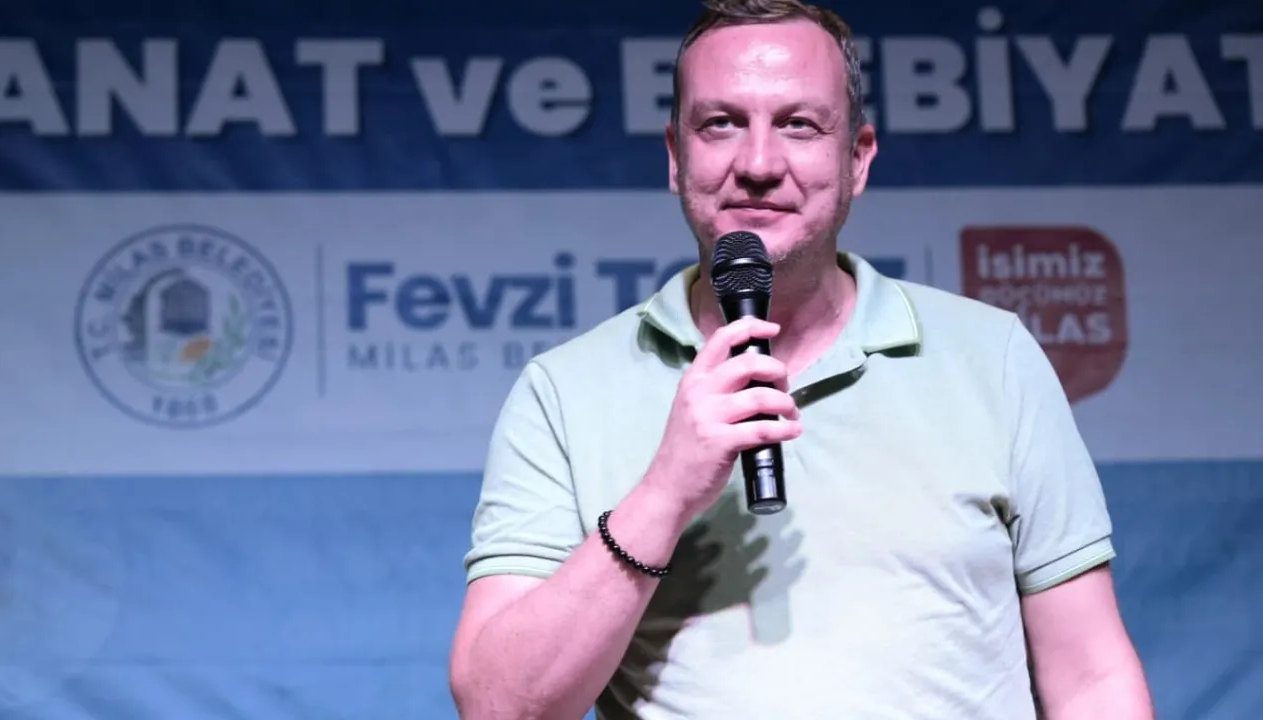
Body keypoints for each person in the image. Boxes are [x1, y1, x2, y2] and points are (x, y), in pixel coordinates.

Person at [448, 1, 1155, 717]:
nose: (758, 164)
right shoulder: (564, 391)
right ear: (675, 156)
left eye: (799, 125)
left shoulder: (993, 358)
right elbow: (499, 705)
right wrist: (663, 493)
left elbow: (1092, 681)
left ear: (857, 158)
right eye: (720, 124)